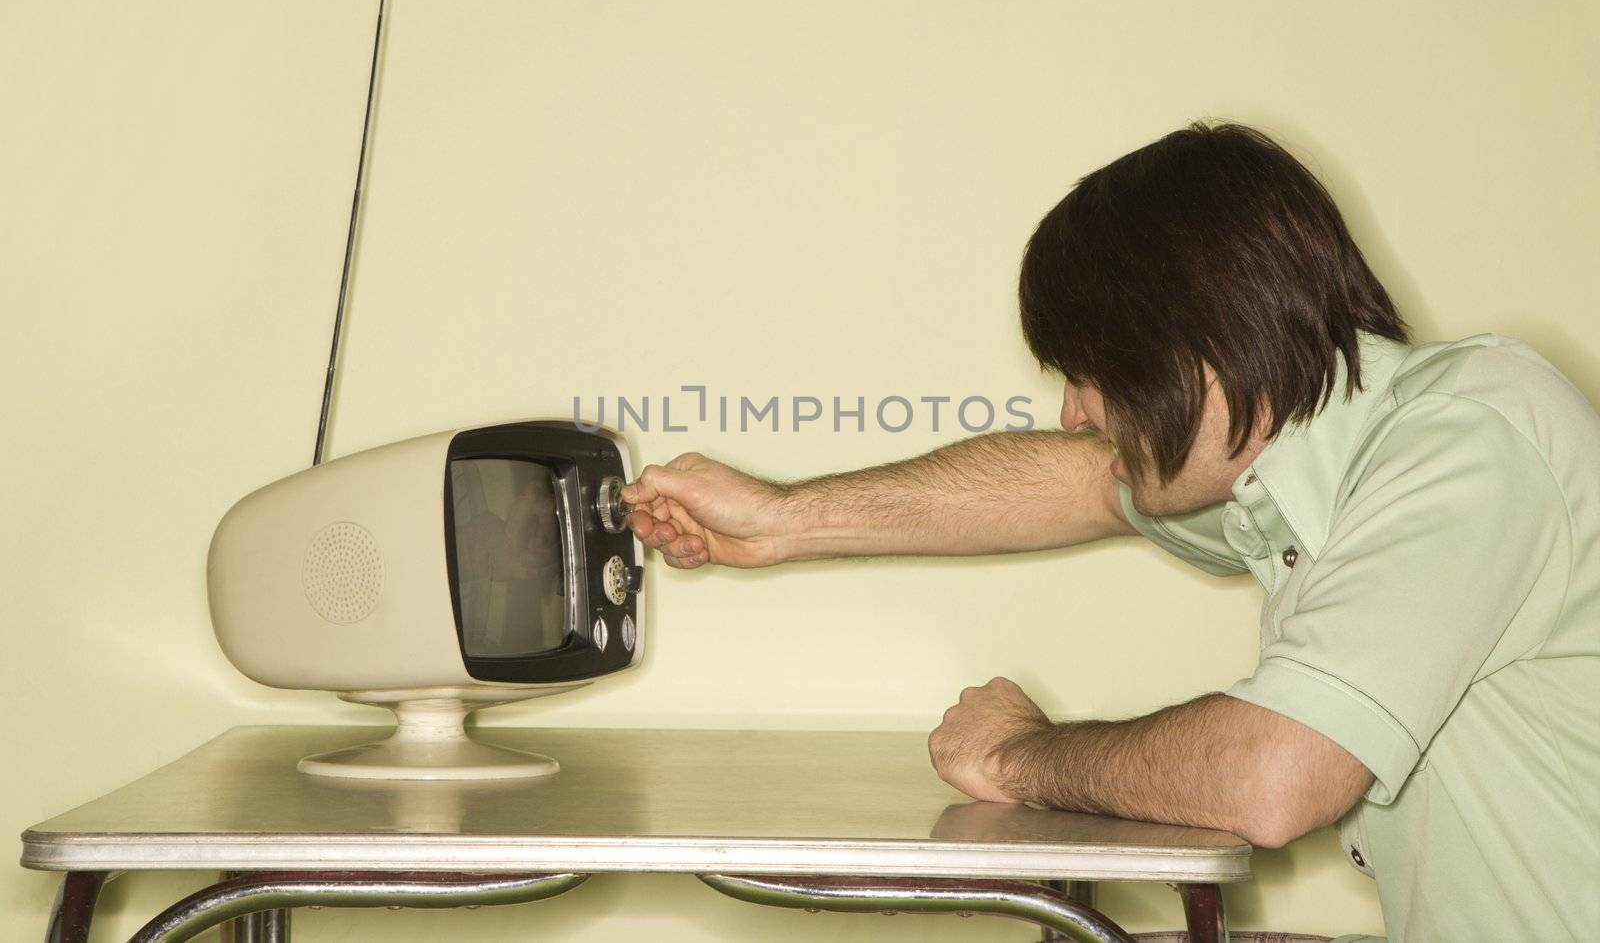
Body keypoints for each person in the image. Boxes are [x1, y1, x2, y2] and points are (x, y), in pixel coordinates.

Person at [620, 123, 1599, 943]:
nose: (1075, 412)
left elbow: (1273, 775)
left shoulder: (1472, 435)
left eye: (1094, 374)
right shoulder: (1303, 472)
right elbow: (1070, 484)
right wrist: (786, 518)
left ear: (1205, 348)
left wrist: (1021, 756)